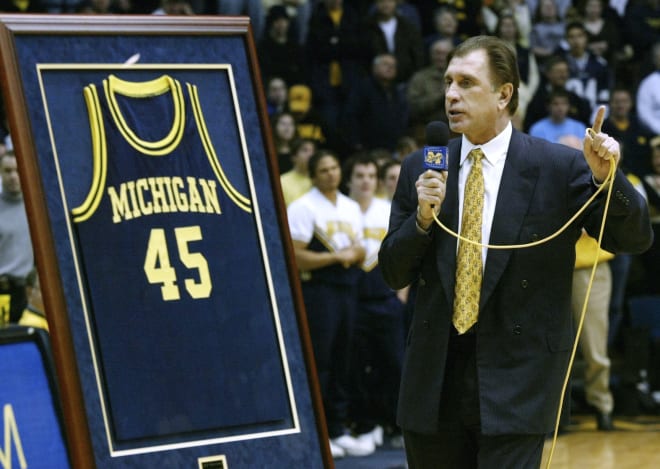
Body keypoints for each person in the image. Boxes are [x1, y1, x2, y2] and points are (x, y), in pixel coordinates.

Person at [378, 35, 653, 468]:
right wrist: (423, 221)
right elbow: (393, 272)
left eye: (467, 83)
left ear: (504, 94)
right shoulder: (422, 166)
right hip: (434, 382)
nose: (451, 94)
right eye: (449, 82)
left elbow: (633, 239)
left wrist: (607, 181)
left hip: (517, 379)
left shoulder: (557, 166)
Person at [286, 149, 370, 458]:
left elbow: (361, 249)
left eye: (335, 167)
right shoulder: (303, 207)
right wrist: (337, 256)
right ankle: (318, 433)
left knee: (343, 359)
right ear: (313, 175)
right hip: (320, 291)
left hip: (348, 289)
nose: (331, 174)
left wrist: (354, 254)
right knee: (320, 361)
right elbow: (296, 256)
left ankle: (338, 428)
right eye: (324, 170)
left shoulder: (349, 207)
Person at [344, 154, 405, 452]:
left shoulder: (388, 210)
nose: (366, 181)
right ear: (350, 180)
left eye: (370, 176)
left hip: (385, 298)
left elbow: (404, 254)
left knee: (394, 364)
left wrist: (402, 293)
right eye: (360, 175)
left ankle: (396, 424)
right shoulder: (340, 211)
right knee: (356, 366)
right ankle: (368, 424)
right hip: (353, 300)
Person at [342, 53, 409, 153]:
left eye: (393, 65)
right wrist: (356, 143)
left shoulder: (397, 91)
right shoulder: (362, 88)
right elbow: (351, 116)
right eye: (385, 64)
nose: (390, 67)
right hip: (369, 146)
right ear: (374, 67)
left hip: (393, 145)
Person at [0, 150, 34, 326]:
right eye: (7, 171)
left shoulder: (37, 206)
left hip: (27, 291)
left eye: (17, 170)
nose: (13, 176)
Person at [407, 38, 454, 144]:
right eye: (437, 53)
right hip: (426, 135)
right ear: (431, 55)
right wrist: (440, 97)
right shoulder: (420, 78)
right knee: (434, 161)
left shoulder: (462, 77)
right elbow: (413, 109)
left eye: (445, 54)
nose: (441, 57)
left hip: (457, 134)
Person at [365, 0, 425, 84]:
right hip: (374, 82)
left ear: (396, 2)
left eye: (389, 1)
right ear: (376, 3)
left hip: (405, 81)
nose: (386, 4)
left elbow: (418, 54)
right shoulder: (366, 27)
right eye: (381, 1)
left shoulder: (408, 27)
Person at [279, 137, 316, 205]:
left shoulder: (320, 179)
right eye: (305, 150)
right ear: (294, 157)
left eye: (312, 151)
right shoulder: (282, 181)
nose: (310, 155)